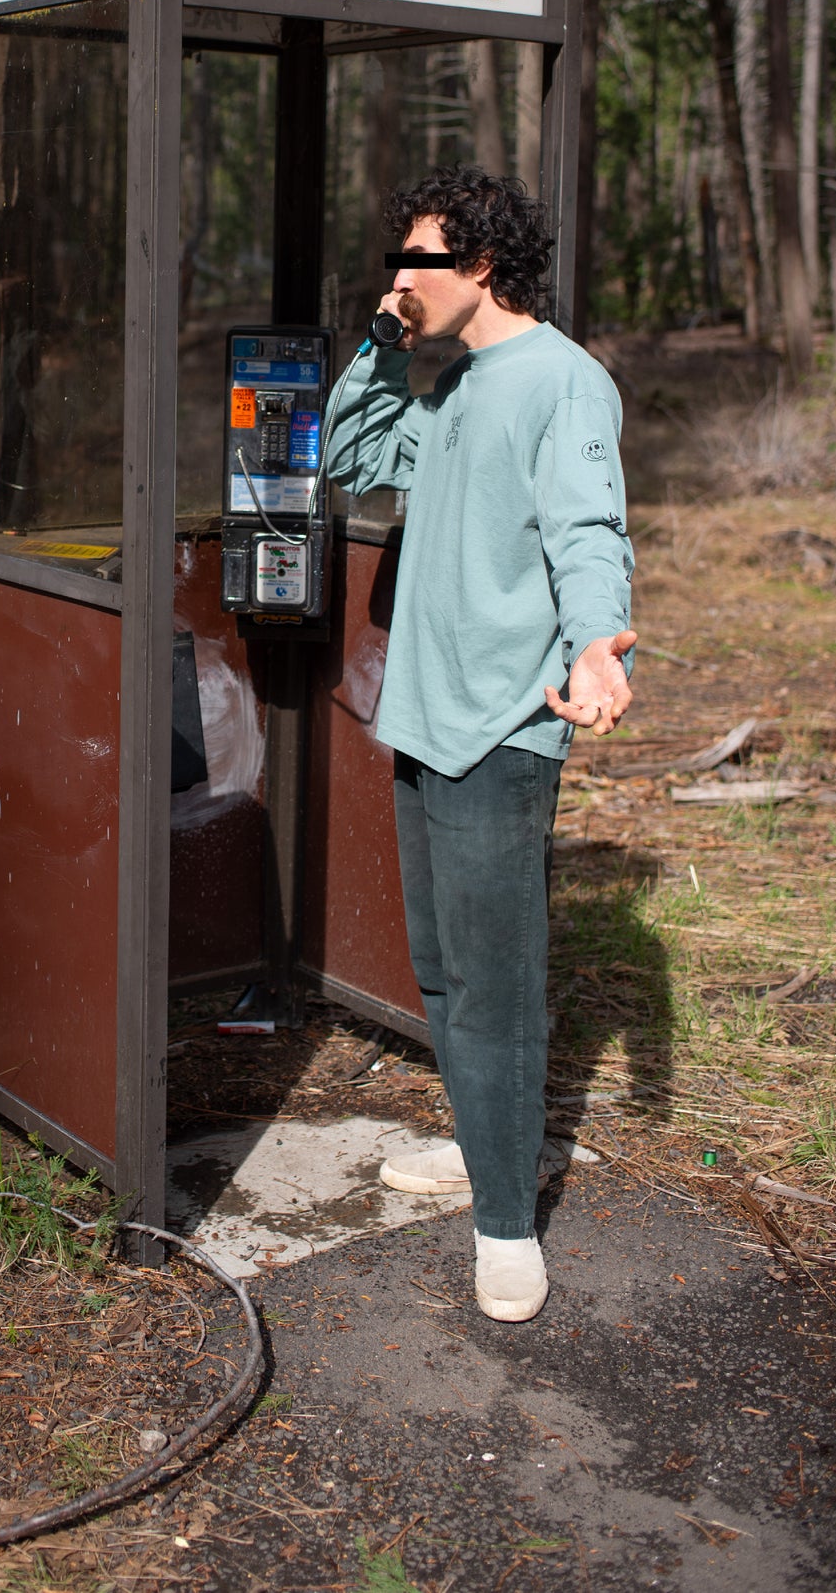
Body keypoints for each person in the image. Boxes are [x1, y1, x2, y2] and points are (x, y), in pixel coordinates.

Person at [324, 165, 635, 1324]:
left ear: (482, 268)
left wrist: (598, 651)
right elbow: (351, 455)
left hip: (501, 725)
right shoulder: (439, 376)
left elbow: (588, 530)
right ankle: (482, 1142)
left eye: (416, 262)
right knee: (444, 970)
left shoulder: (560, 381)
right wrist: (376, 336)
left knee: (496, 988)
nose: (398, 279)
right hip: (421, 712)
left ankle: (507, 1227)